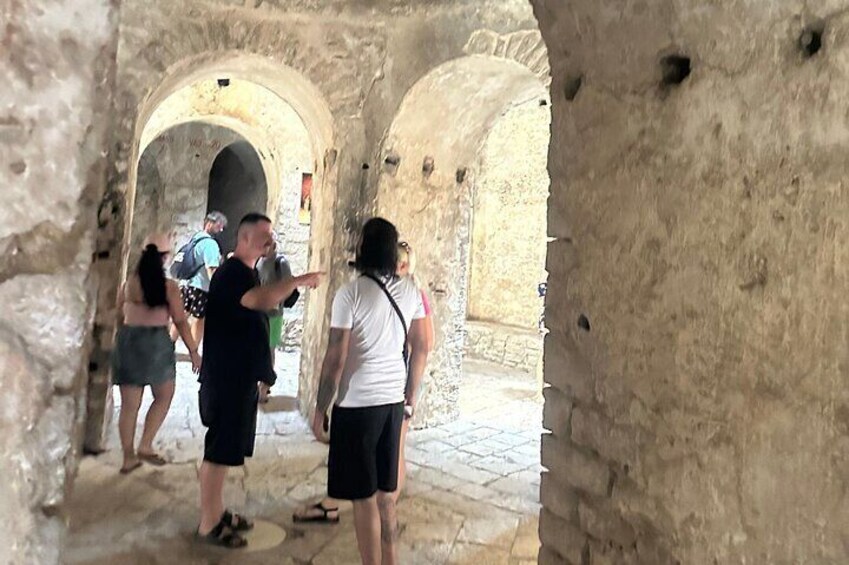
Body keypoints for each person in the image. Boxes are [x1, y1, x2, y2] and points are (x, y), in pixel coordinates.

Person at [196, 213, 322, 549]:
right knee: (218, 452)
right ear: (245, 238)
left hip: (236, 377)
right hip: (226, 378)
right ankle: (209, 523)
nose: (270, 240)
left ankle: (216, 511)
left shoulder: (245, 272)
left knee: (225, 451)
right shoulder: (232, 273)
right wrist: (299, 280)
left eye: (272, 234)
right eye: (265, 235)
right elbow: (260, 300)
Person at [309, 218, 431, 565]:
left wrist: (320, 409)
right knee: (386, 497)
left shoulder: (350, 294)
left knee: (363, 499)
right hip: (392, 402)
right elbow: (421, 345)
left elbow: (336, 357)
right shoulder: (410, 292)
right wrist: (411, 393)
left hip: (357, 405)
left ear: (362, 248)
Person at [112, 233, 201, 474]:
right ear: (164, 257)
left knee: (129, 406)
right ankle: (145, 444)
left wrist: (125, 336)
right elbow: (180, 321)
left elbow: (118, 315)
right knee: (164, 395)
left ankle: (128, 457)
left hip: (129, 342)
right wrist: (193, 351)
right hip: (156, 345)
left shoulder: (128, 284)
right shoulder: (169, 287)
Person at [172, 211, 228, 347]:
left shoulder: (196, 238)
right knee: (199, 319)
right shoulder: (210, 244)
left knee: (181, 317)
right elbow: (211, 270)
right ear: (209, 223)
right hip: (200, 288)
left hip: (186, 284)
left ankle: (169, 344)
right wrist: (217, 290)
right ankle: (193, 349)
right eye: (219, 225)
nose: (221, 229)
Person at [255, 233, 300, 403]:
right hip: (259, 312)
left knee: (270, 349)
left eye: (267, 244)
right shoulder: (259, 261)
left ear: (274, 245)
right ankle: (258, 384)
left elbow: (289, 286)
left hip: (274, 315)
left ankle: (264, 387)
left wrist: (275, 297)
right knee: (259, 348)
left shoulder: (281, 262)